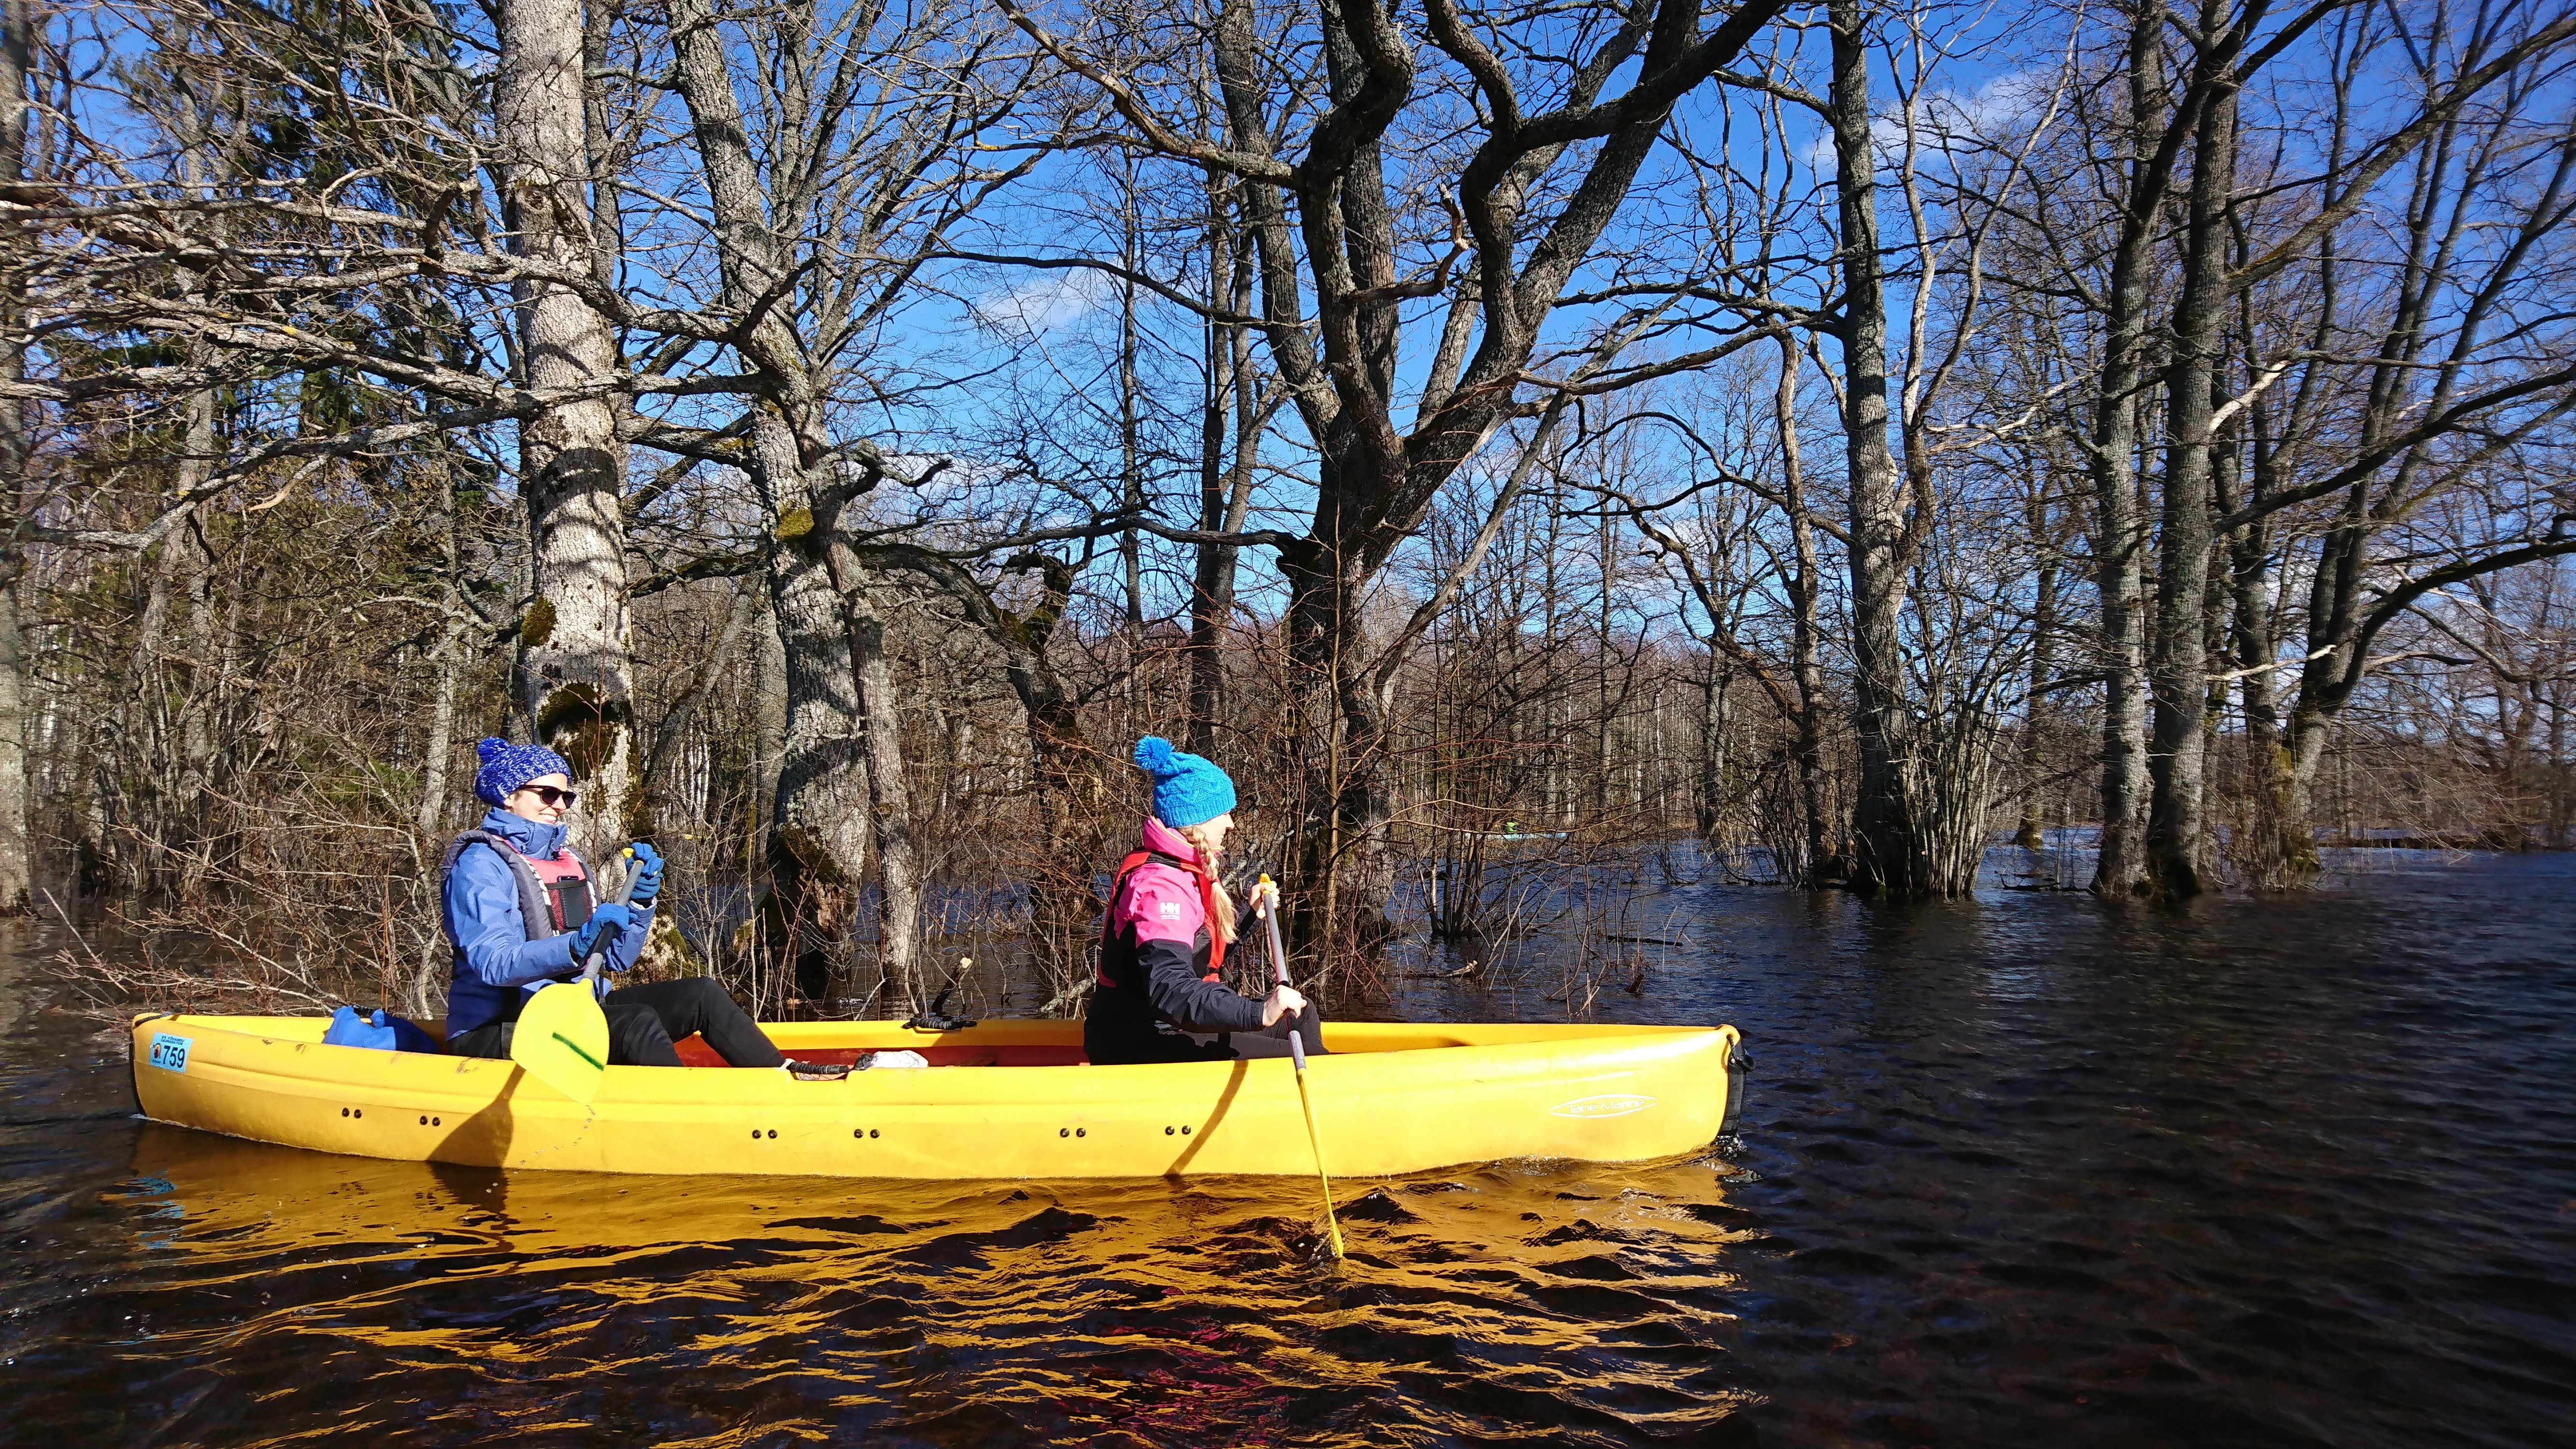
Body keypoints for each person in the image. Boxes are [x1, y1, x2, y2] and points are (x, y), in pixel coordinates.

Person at [440, 739, 895, 1078]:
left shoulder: (567, 861)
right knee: (635, 1020)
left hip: (572, 1013)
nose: (559, 806)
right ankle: (681, 1112)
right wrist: (575, 944)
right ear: (508, 795)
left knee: (701, 993)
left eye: (567, 797)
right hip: (498, 1028)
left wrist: (640, 908)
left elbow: (616, 958)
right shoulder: (480, 865)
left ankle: (777, 1077)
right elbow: (494, 963)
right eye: (546, 794)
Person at [1085, 736, 1325, 1066]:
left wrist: (1248, 916)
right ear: (1197, 820)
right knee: (1301, 1058)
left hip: (1169, 1027)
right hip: (1142, 1040)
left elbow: (1197, 958)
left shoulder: (1184, 872)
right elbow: (1171, 988)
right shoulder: (1161, 886)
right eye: (1224, 814)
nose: (1231, 824)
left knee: (1302, 1012)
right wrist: (1258, 1012)